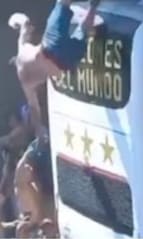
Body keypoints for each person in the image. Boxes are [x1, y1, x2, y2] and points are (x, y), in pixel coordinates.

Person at [9, 0, 103, 140]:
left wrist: (39, 129)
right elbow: (25, 23)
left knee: (83, 31)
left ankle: (94, 6)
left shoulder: (27, 85)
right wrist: (13, 20)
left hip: (64, 63)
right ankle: (92, 6)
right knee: (61, 3)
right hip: (50, 46)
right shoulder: (22, 48)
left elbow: (34, 109)